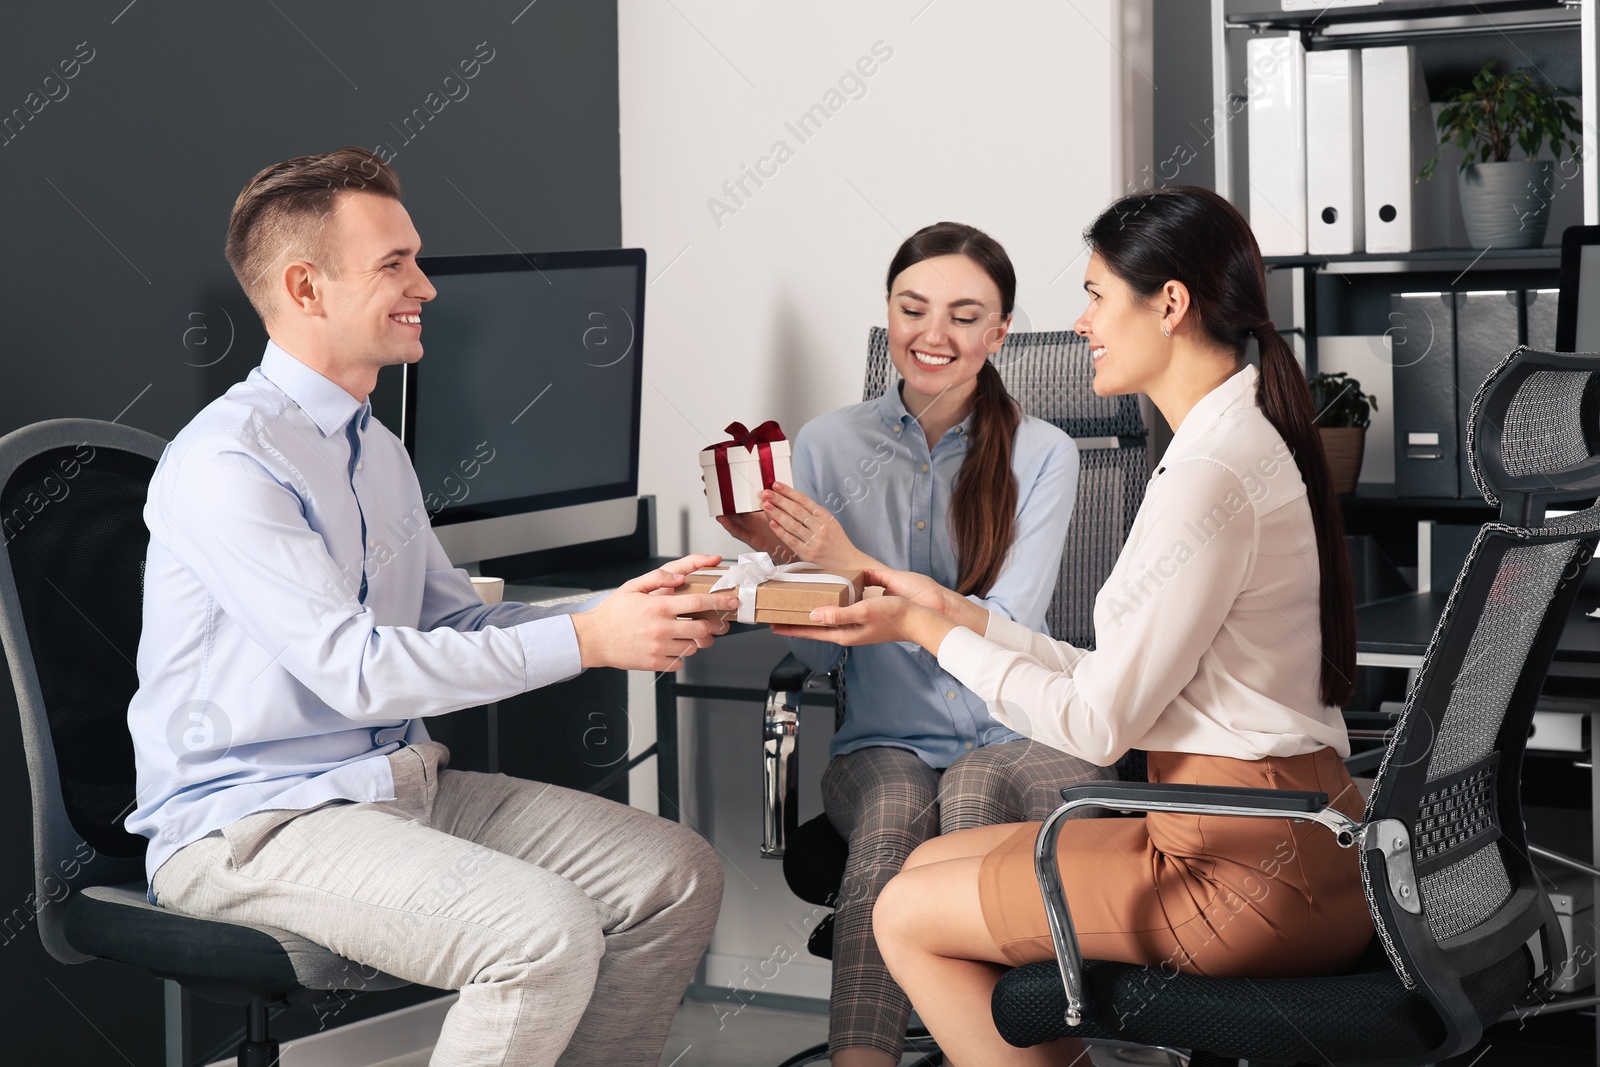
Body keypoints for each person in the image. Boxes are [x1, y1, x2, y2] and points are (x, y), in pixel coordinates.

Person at [126, 147, 737, 1067]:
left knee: (674, 875)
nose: (428, 287)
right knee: (541, 932)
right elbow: (361, 670)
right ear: (306, 286)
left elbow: (453, 627)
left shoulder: (375, 450)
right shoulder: (228, 462)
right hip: (251, 828)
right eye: (394, 264)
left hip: (398, 789)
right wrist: (588, 640)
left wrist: (621, 608)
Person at [777, 187, 1375, 1065]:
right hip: (1286, 834)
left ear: (1168, 305)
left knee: (903, 913)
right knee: (920, 872)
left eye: (1097, 295)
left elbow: (1098, 720)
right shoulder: (1229, 441)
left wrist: (922, 629)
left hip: (1242, 874)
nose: (1084, 321)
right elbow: (1109, 669)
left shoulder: (1208, 475)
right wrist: (947, 608)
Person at [720, 221, 1109, 1066]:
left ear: (999, 332)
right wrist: (786, 569)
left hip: (1021, 734)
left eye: (965, 315)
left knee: (972, 794)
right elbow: (824, 658)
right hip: (883, 743)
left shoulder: (1044, 453)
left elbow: (1007, 622)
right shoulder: (825, 445)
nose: (935, 335)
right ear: (889, 316)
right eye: (913, 308)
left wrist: (850, 564)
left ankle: (1013, 1052)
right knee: (897, 810)